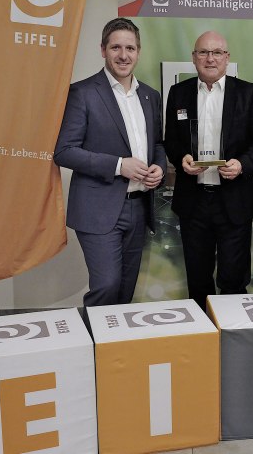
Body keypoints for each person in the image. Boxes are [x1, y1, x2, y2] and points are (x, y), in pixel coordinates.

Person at [54, 17, 166, 309]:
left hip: (139, 207)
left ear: (139, 51)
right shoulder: (83, 93)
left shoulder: (149, 96)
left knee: (126, 289)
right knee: (106, 285)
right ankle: (92, 344)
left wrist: (160, 167)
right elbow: (64, 151)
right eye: (116, 47)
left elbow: (157, 145)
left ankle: (114, 350)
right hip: (98, 208)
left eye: (130, 48)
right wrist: (119, 165)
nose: (123, 55)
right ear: (103, 50)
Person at [164, 31, 253, 311]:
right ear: (193, 57)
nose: (209, 58)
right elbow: (171, 141)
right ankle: (201, 342)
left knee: (234, 279)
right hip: (194, 201)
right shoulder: (179, 93)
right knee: (198, 279)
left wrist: (243, 164)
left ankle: (231, 339)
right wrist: (181, 158)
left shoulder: (249, 93)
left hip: (234, 200)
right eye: (203, 52)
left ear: (227, 58)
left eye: (216, 53)